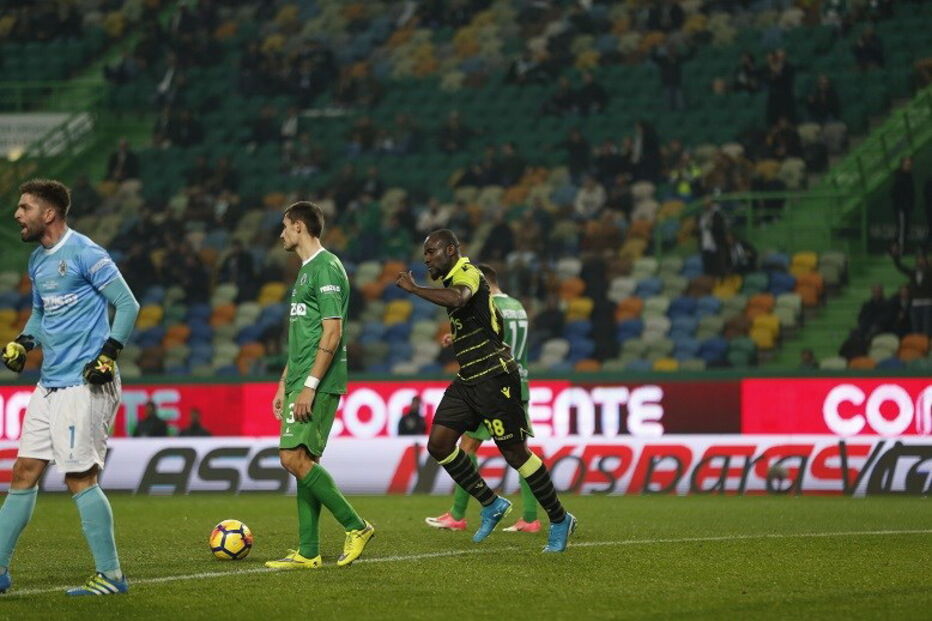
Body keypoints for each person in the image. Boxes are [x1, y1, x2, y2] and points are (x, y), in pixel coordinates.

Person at [395, 230, 576, 552]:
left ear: (451, 249)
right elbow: (489, 320)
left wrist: (415, 289)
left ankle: (560, 518)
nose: (426, 258)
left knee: (516, 454)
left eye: (432, 251)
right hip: (469, 380)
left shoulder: (467, 272)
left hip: (495, 379)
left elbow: (460, 298)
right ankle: (491, 503)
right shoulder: (456, 280)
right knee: (439, 444)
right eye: (425, 252)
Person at [0, 178, 140, 595]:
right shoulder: (38, 263)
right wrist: (24, 342)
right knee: (23, 472)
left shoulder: (86, 253)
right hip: (49, 385)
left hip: (85, 383)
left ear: (49, 214)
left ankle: (111, 575)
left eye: (25, 208)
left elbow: (128, 304)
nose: (17, 215)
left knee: (79, 476)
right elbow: (41, 315)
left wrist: (109, 353)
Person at [265, 202, 374, 570]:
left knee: (291, 458)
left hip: (319, 381)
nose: (281, 234)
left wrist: (310, 385)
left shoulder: (326, 267)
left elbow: (333, 331)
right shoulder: (306, 271)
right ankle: (308, 550)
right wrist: (284, 383)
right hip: (299, 377)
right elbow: (304, 337)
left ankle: (356, 526)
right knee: (303, 461)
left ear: (298, 226)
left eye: (284, 226)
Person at [425, 264, 541, 534]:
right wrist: (454, 337)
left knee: (466, 447)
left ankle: (457, 514)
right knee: (521, 452)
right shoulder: (517, 306)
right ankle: (531, 518)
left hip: (493, 385)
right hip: (520, 383)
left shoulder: (489, 303)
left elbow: (491, 338)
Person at [892, 246, 932, 336]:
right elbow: (900, 267)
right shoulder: (913, 272)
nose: (920, 261)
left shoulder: (930, 272)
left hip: (928, 304)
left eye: (922, 259)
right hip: (915, 304)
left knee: (927, 330)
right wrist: (895, 256)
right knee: (915, 330)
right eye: (918, 259)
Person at [892, 157, 915, 250]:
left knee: (904, 229)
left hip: (906, 208)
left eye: (910, 165)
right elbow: (895, 193)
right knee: (901, 230)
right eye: (907, 165)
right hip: (901, 208)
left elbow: (911, 192)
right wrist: (901, 205)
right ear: (902, 165)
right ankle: (899, 249)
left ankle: (897, 248)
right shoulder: (899, 177)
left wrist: (910, 204)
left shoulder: (909, 176)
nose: (908, 167)